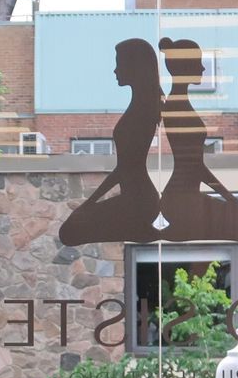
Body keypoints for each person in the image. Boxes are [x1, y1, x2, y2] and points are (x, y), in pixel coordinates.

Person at [156, 38, 238, 242]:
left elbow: (195, 165)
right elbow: (195, 166)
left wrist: (230, 200)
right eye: (198, 62)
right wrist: (230, 199)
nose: (203, 67)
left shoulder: (178, 105)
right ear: (185, 67)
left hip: (184, 198)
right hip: (181, 201)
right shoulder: (179, 109)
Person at [58, 38, 162, 246]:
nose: (115, 70)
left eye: (119, 63)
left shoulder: (142, 111)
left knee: (70, 231)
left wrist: (89, 203)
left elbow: (126, 168)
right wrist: (90, 203)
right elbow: (124, 168)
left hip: (139, 203)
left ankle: (143, 229)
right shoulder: (140, 108)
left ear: (134, 67)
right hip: (135, 200)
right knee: (69, 231)